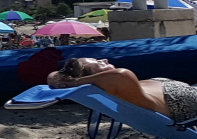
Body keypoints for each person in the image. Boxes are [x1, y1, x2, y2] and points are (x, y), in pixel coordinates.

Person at [46, 56, 197, 120]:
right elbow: (121, 74)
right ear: (94, 76)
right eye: (98, 62)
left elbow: (52, 76)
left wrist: (71, 79)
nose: (105, 59)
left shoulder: (123, 89)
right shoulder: (121, 88)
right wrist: (75, 82)